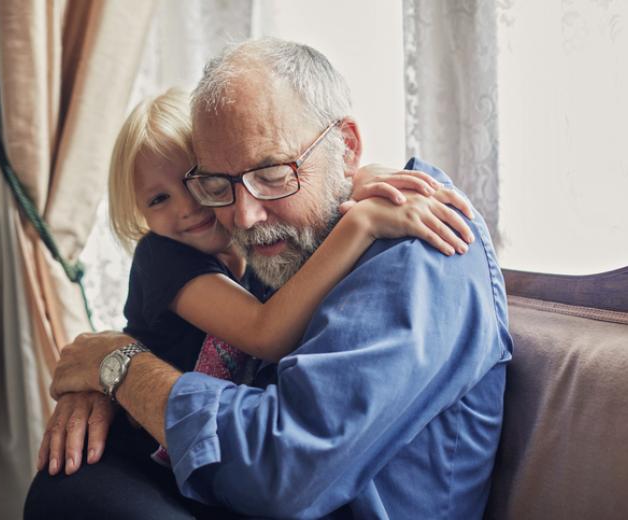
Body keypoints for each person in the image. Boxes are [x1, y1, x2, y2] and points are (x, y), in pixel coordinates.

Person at [27, 38, 512, 519]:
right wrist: (108, 373)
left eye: (272, 173)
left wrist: (123, 370)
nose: (244, 215)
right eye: (219, 184)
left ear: (347, 147)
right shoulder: (282, 245)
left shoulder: (418, 248)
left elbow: (285, 466)